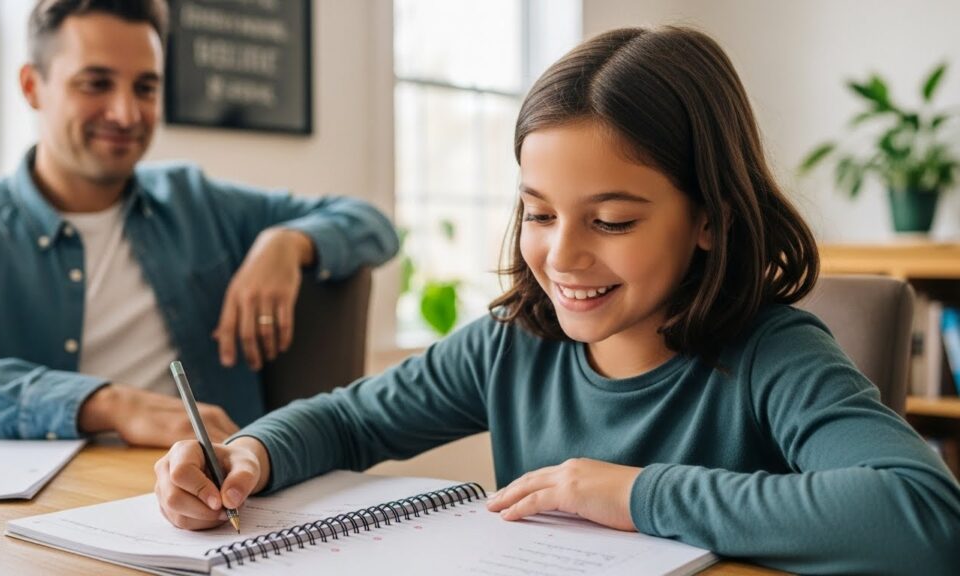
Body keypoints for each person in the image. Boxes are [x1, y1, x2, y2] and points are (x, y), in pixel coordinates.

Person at [153, 26, 960, 574]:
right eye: (538, 212)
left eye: (610, 220)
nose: (562, 254)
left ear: (709, 217)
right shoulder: (514, 344)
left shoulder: (773, 355)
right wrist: (250, 455)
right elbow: (353, 419)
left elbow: (922, 516)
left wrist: (633, 494)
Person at [0, 0, 398, 447]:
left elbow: (372, 224)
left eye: (146, 87)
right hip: (48, 498)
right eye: (96, 83)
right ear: (32, 86)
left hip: (217, 496)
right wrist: (108, 405)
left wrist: (288, 241)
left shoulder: (196, 201)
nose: (126, 114)